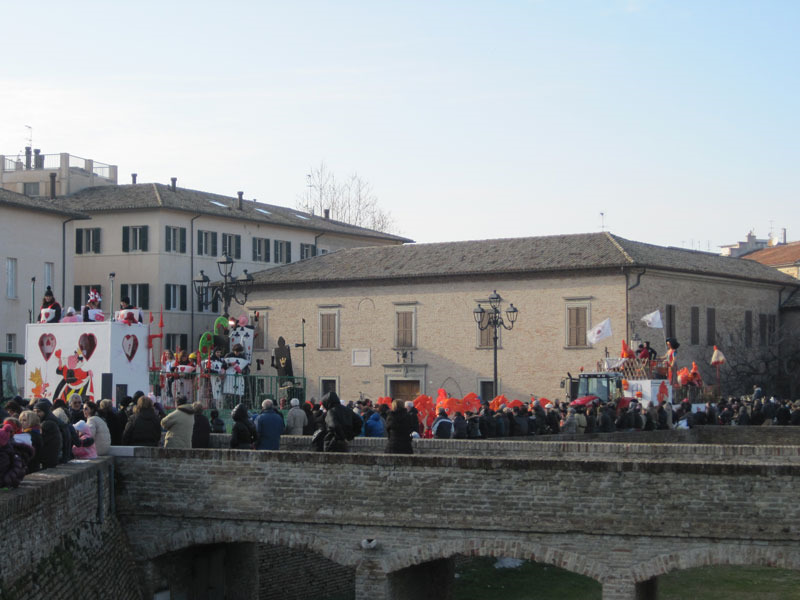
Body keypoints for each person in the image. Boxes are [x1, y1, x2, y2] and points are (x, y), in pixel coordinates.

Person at [33, 400, 62, 468]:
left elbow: (41, 441)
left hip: (48, 460)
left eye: (39, 411)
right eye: (34, 411)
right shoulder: (49, 421)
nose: (36, 414)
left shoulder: (47, 424)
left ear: (45, 412)